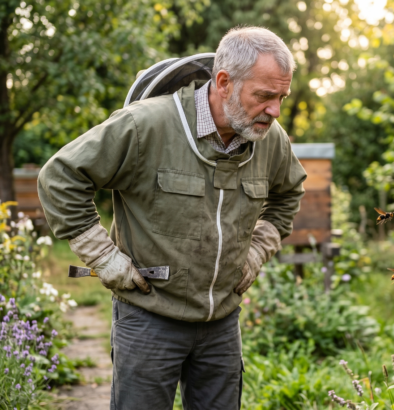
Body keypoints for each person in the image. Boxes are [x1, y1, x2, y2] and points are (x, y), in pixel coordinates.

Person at [37, 27, 306, 410]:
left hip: (221, 325)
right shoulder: (146, 126)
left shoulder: (270, 140)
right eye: (264, 96)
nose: (275, 110)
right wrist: (103, 258)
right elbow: (59, 176)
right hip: (149, 320)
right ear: (225, 83)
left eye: (281, 97)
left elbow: (289, 193)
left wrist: (258, 251)